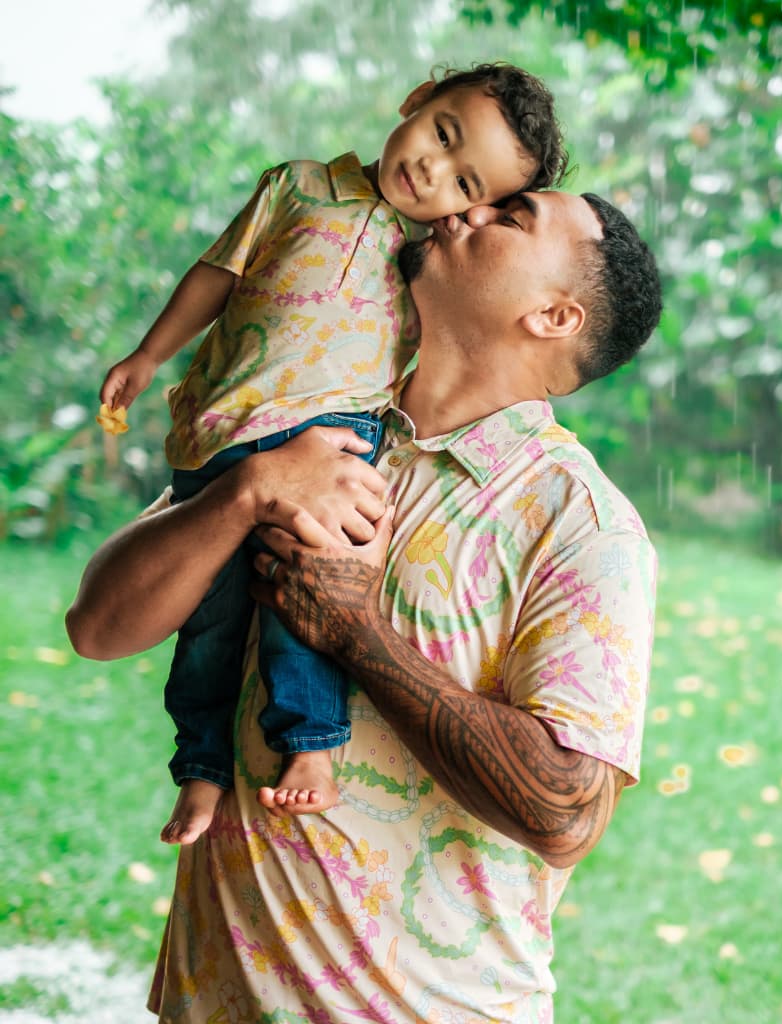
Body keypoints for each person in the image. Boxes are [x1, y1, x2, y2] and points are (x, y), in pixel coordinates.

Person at [67, 186, 662, 1023]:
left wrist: (355, 632)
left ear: (554, 316)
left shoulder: (579, 523)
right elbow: (98, 627)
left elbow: (563, 810)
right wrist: (244, 490)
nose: (464, 209)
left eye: (510, 218)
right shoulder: (300, 430)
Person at [97, 63, 569, 845]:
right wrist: (150, 354)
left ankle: (311, 745)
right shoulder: (298, 186)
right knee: (208, 623)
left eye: (464, 183)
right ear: (415, 101)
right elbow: (218, 274)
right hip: (222, 430)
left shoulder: (429, 257)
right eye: (442, 133)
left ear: (472, 211)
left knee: (301, 599)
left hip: (330, 442)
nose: (432, 170)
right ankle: (201, 766)